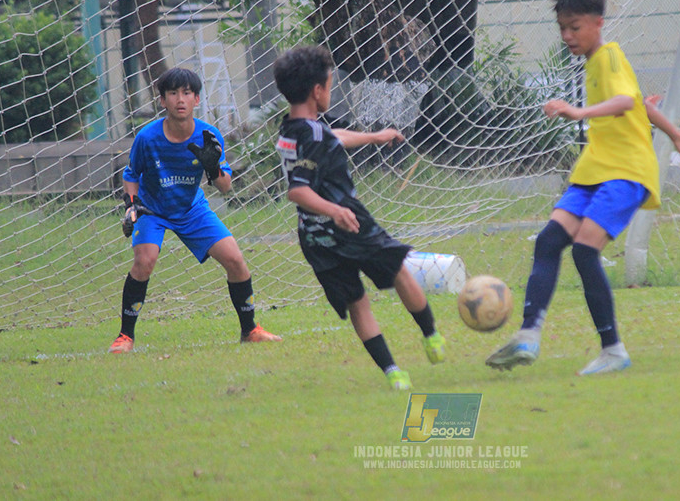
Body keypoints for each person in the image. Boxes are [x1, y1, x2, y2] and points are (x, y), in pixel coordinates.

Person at [486, 0, 680, 375]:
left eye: (575, 27)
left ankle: (613, 350)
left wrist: (577, 112)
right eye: (562, 29)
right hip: (596, 168)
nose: (568, 36)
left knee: (585, 250)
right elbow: (639, 102)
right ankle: (528, 335)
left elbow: (624, 103)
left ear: (597, 23)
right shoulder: (595, 62)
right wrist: (675, 134)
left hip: (625, 170)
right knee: (550, 240)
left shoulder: (608, 56)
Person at [273, 45, 446, 391]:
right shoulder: (316, 134)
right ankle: (431, 335)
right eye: (330, 83)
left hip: (313, 236)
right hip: (348, 222)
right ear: (317, 90)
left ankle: (393, 373)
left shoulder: (292, 128)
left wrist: (374, 137)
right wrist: (336, 210)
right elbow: (297, 190)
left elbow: (330, 139)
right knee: (399, 270)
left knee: (357, 302)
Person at [109, 67, 281, 353]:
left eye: (187, 93)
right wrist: (131, 206)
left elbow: (225, 187)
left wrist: (213, 166)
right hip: (152, 210)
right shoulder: (147, 138)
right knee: (144, 260)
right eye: (173, 93)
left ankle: (250, 330)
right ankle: (125, 336)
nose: (180, 99)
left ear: (197, 99)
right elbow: (131, 175)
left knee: (236, 260)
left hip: (191, 209)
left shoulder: (208, 135)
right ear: (162, 100)